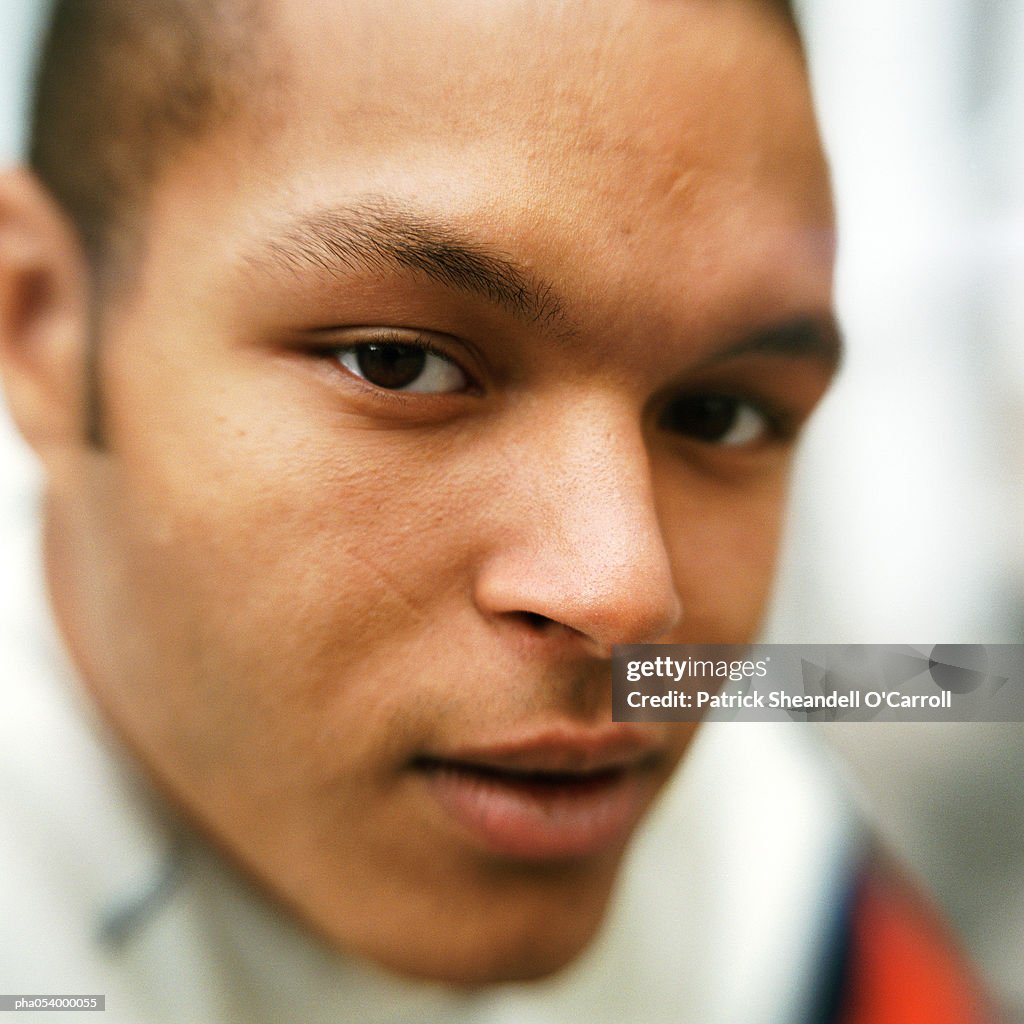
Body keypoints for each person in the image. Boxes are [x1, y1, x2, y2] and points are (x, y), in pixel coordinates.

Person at [0, 1, 989, 1021]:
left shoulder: (739, 846)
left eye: (718, 413)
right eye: (400, 363)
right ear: (41, 322)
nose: (627, 595)